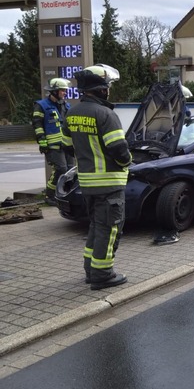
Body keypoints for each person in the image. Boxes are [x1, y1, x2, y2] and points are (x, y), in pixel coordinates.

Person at [62, 64, 132, 290]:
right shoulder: (106, 114)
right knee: (110, 228)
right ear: (101, 90)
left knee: (96, 227)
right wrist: (128, 162)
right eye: (108, 87)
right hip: (109, 183)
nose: (109, 90)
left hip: (87, 183)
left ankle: (90, 270)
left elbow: (67, 145)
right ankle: (103, 274)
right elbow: (119, 149)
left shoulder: (71, 113)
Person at [32, 78, 75, 205]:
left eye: (65, 90)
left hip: (66, 144)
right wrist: (43, 142)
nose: (64, 93)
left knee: (71, 169)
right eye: (62, 90)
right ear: (54, 91)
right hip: (52, 146)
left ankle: (65, 193)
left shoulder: (66, 105)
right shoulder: (41, 106)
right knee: (61, 169)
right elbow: (37, 125)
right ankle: (49, 195)